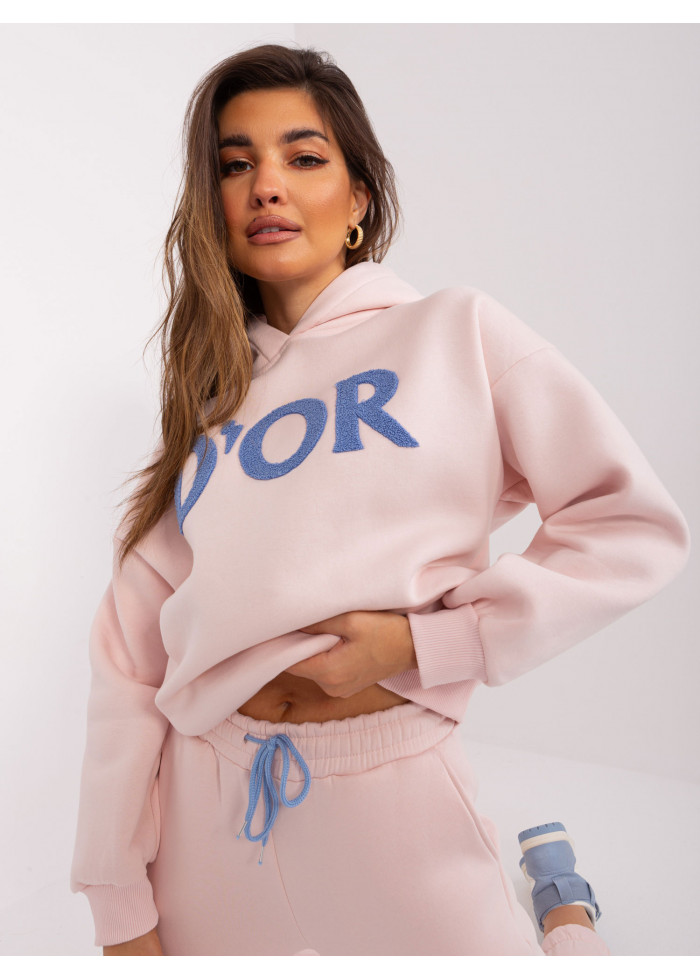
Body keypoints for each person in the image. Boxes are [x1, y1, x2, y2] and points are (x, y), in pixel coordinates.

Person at [69, 44, 690, 956]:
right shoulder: (208, 404)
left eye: (303, 156)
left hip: (392, 799)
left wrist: (427, 642)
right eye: (235, 165)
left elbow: (625, 522)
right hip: (211, 806)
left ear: (358, 198)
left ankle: (564, 905)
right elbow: (128, 653)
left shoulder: (454, 332)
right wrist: (118, 900)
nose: (266, 185)